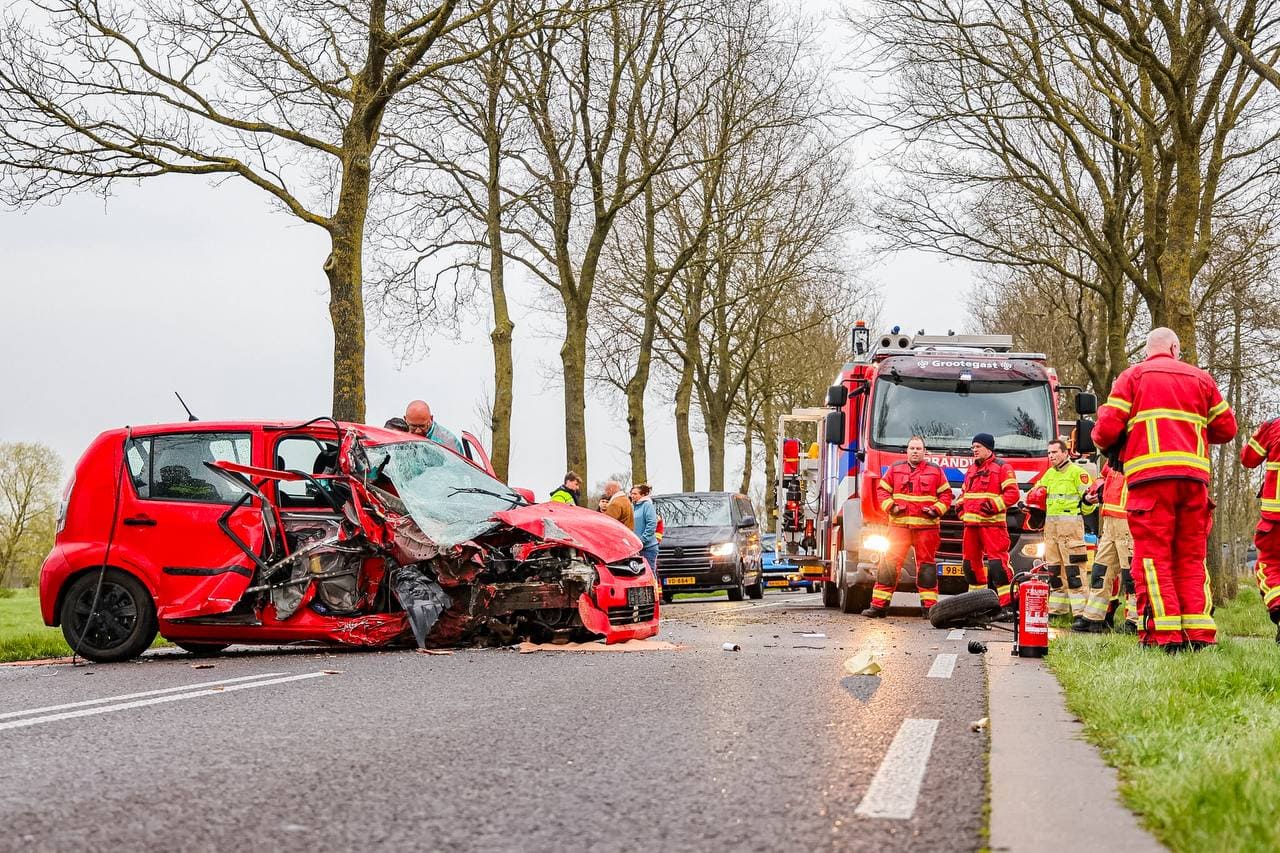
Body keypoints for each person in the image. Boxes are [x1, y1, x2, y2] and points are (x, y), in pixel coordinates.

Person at [1093, 327, 1237, 652]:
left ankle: (1164, 636)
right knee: (1190, 557)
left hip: (1150, 482)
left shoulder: (1134, 376)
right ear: (1175, 348)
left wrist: (1124, 441)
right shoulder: (1201, 379)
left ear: (1147, 351)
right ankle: (1199, 634)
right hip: (1194, 482)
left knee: (1152, 558)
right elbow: (1227, 429)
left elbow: (1105, 431)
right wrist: (1189, 433)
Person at [863, 436, 953, 619]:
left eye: (918, 448)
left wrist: (936, 510)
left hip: (926, 528)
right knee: (888, 566)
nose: (915, 451)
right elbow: (882, 491)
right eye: (912, 448)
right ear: (907, 450)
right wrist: (891, 506)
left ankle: (929, 609)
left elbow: (946, 495)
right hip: (899, 526)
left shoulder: (935, 471)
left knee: (926, 568)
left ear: (924, 451)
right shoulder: (895, 469)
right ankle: (879, 606)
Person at [960, 432, 1020, 615]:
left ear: (988, 448)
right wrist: (960, 508)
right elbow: (964, 494)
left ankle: (1009, 606)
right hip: (971, 527)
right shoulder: (971, 470)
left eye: (977, 447)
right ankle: (977, 606)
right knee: (970, 567)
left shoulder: (1002, 467)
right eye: (973, 447)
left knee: (997, 567)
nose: (974, 450)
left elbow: (1013, 494)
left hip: (992, 526)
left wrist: (993, 506)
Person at [1034, 439, 1096, 617]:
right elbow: (1038, 495)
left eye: (1054, 452)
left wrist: (1085, 503)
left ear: (1065, 452)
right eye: (1049, 453)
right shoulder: (1049, 474)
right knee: (1054, 571)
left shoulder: (1079, 473)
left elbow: (1090, 504)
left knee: (1074, 572)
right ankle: (1057, 610)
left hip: (1071, 531)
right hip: (1051, 531)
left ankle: (1080, 613)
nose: (1051, 456)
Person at [1074, 462, 1134, 633]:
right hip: (1109, 521)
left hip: (1128, 520)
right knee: (1101, 571)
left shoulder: (1138, 451)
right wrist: (1093, 493)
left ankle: (1135, 621)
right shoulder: (1115, 455)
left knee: (1131, 575)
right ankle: (1093, 617)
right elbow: (1102, 478)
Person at [1241, 416, 1280, 643]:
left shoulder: (1274, 426)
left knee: (1270, 564)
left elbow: (1248, 458)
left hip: (1275, 518)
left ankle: (1278, 605)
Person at [630, 484, 659, 571]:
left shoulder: (647, 505)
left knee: (649, 571)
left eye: (635, 494)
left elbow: (651, 524)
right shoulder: (633, 506)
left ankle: (654, 585)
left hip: (648, 547)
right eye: (631, 493)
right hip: (636, 547)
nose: (632, 496)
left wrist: (643, 540)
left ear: (642, 495)